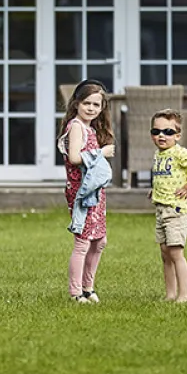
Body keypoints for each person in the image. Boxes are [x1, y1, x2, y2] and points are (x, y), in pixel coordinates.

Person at [149, 109, 187, 303]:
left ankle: (183, 295)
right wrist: (155, 190)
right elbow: (165, 177)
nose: (161, 136)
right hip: (161, 208)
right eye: (156, 131)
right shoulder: (159, 154)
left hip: (176, 210)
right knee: (165, 253)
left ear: (177, 136)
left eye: (167, 132)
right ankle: (170, 294)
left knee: (176, 253)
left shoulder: (179, 153)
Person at [60, 79, 115, 303]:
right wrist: (101, 153)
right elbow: (74, 158)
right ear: (76, 104)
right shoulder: (75, 127)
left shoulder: (90, 128)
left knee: (99, 240)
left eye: (96, 105)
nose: (91, 108)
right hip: (81, 192)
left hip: (94, 191)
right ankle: (76, 292)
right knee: (83, 241)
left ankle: (88, 287)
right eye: (87, 103)